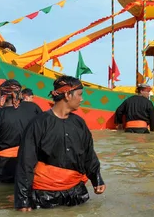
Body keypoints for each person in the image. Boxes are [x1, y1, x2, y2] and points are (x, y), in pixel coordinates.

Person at [15, 76, 105, 211]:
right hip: (45, 194)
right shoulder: (39, 123)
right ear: (68, 95)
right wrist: (23, 200)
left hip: (76, 192)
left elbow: (88, 154)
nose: (82, 99)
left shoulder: (79, 123)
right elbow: (25, 163)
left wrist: (96, 179)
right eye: (79, 95)